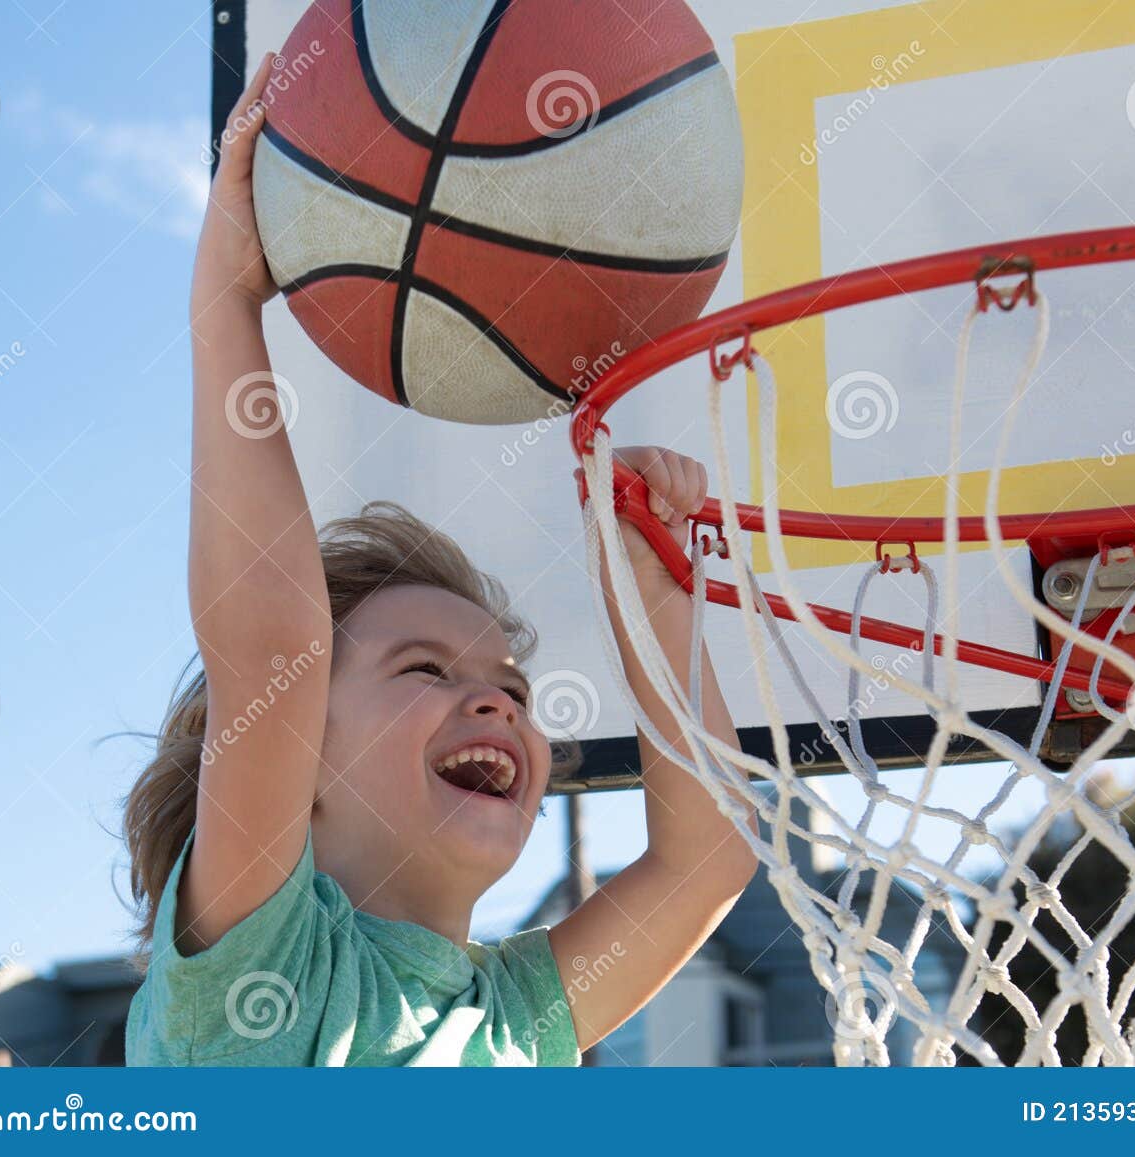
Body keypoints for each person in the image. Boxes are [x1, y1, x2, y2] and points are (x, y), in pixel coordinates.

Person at [122, 56, 756, 1066]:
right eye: (425, 667)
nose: (499, 701)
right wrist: (228, 303)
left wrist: (649, 592)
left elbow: (709, 852)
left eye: (509, 683)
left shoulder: (507, 1018)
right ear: (301, 757)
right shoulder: (261, 978)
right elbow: (273, 640)